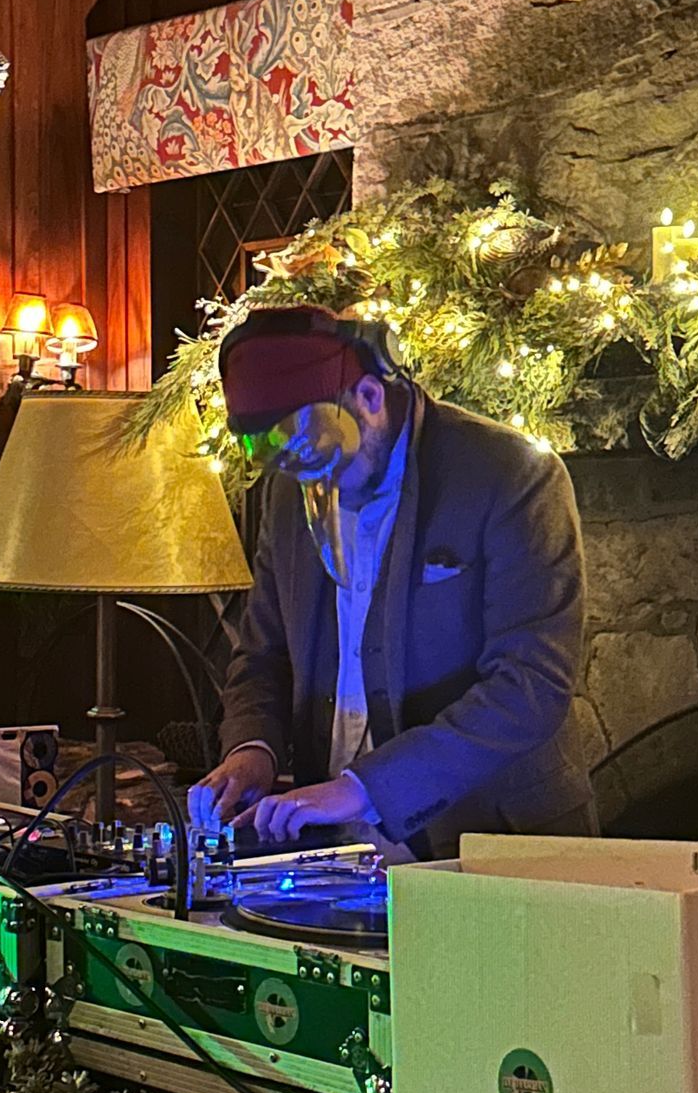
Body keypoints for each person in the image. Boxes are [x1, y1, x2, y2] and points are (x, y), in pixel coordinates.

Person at [188, 306, 593, 854]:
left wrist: (363, 789)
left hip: (497, 838)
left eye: (315, 450)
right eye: (283, 462)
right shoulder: (293, 490)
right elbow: (263, 655)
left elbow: (530, 685)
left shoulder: (511, 474)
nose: (311, 484)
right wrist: (251, 748)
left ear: (370, 397)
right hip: (332, 848)